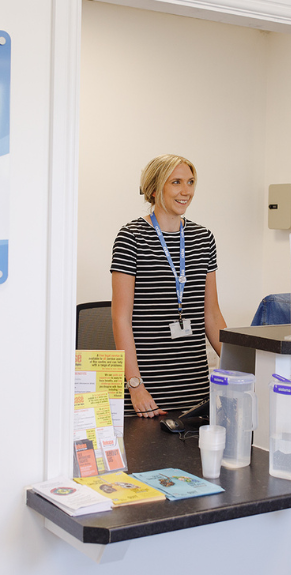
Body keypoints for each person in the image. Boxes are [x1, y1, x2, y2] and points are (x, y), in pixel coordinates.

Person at [111, 155, 227, 418]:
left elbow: (212, 315)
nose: (186, 191)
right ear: (154, 188)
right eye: (176, 182)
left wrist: (240, 367)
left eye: (190, 182)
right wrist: (135, 385)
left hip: (194, 388)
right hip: (146, 390)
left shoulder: (203, 238)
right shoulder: (132, 238)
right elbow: (120, 319)